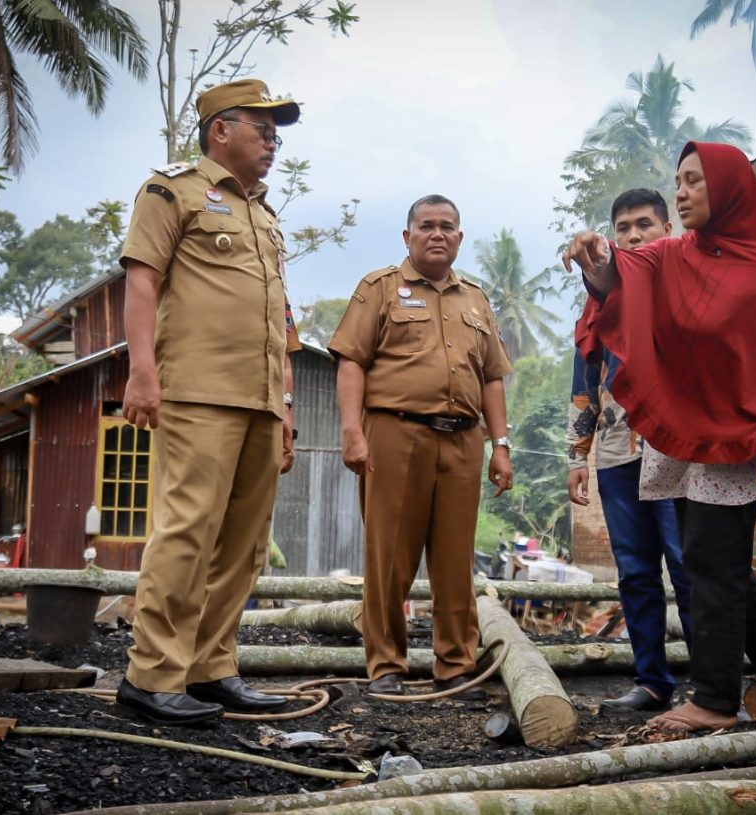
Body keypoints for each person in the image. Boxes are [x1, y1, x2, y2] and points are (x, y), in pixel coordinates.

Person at [562, 142, 756, 734]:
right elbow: (619, 277)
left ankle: (714, 700)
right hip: (687, 436)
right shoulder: (673, 254)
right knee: (717, 559)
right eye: (678, 182)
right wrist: (595, 260)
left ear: (730, 189)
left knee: (708, 560)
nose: (681, 193)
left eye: (694, 182)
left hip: (744, 436)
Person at [117, 78, 302, 725]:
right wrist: (143, 371)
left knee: (245, 544)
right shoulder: (171, 191)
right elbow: (142, 282)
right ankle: (151, 674)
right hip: (195, 391)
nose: (273, 138)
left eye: (277, 129)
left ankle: (210, 664)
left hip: (258, 402)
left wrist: (284, 401)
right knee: (187, 530)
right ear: (220, 129)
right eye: (262, 126)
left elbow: (278, 317)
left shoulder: (265, 216)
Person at [328, 194, 514, 697]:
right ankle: (386, 666)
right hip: (394, 433)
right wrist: (352, 431)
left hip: (462, 441)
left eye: (447, 226)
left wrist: (501, 445)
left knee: (456, 561)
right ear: (407, 236)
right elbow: (351, 362)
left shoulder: (475, 298)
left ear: (459, 236)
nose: (437, 234)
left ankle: (454, 665)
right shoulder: (380, 288)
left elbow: (493, 377)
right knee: (390, 556)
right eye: (426, 225)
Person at [566, 188, 693, 712]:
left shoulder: (683, 286)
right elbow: (584, 383)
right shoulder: (599, 305)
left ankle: (712, 683)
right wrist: (578, 456)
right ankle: (652, 682)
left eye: (645, 224)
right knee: (636, 571)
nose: (635, 235)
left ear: (667, 230)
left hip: (678, 453)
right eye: (624, 227)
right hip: (619, 455)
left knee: (689, 567)